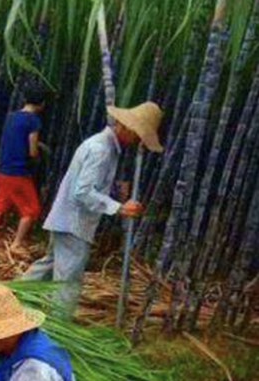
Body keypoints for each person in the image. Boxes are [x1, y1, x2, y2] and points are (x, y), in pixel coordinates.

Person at [21, 102, 164, 318]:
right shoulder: (102, 150)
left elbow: (91, 184)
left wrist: (115, 190)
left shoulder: (103, 146)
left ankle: (6, 296)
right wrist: (119, 207)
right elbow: (83, 192)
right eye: (137, 135)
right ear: (125, 127)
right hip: (74, 223)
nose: (137, 142)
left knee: (47, 267)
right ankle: (59, 330)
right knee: (68, 282)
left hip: (66, 219)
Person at [0, 81, 47, 253]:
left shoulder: (11, 116)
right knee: (31, 211)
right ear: (42, 103)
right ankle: (16, 244)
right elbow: (32, 151)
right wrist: (40, 151)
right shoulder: (34, 121)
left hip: (3, 171)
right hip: (19, 173)